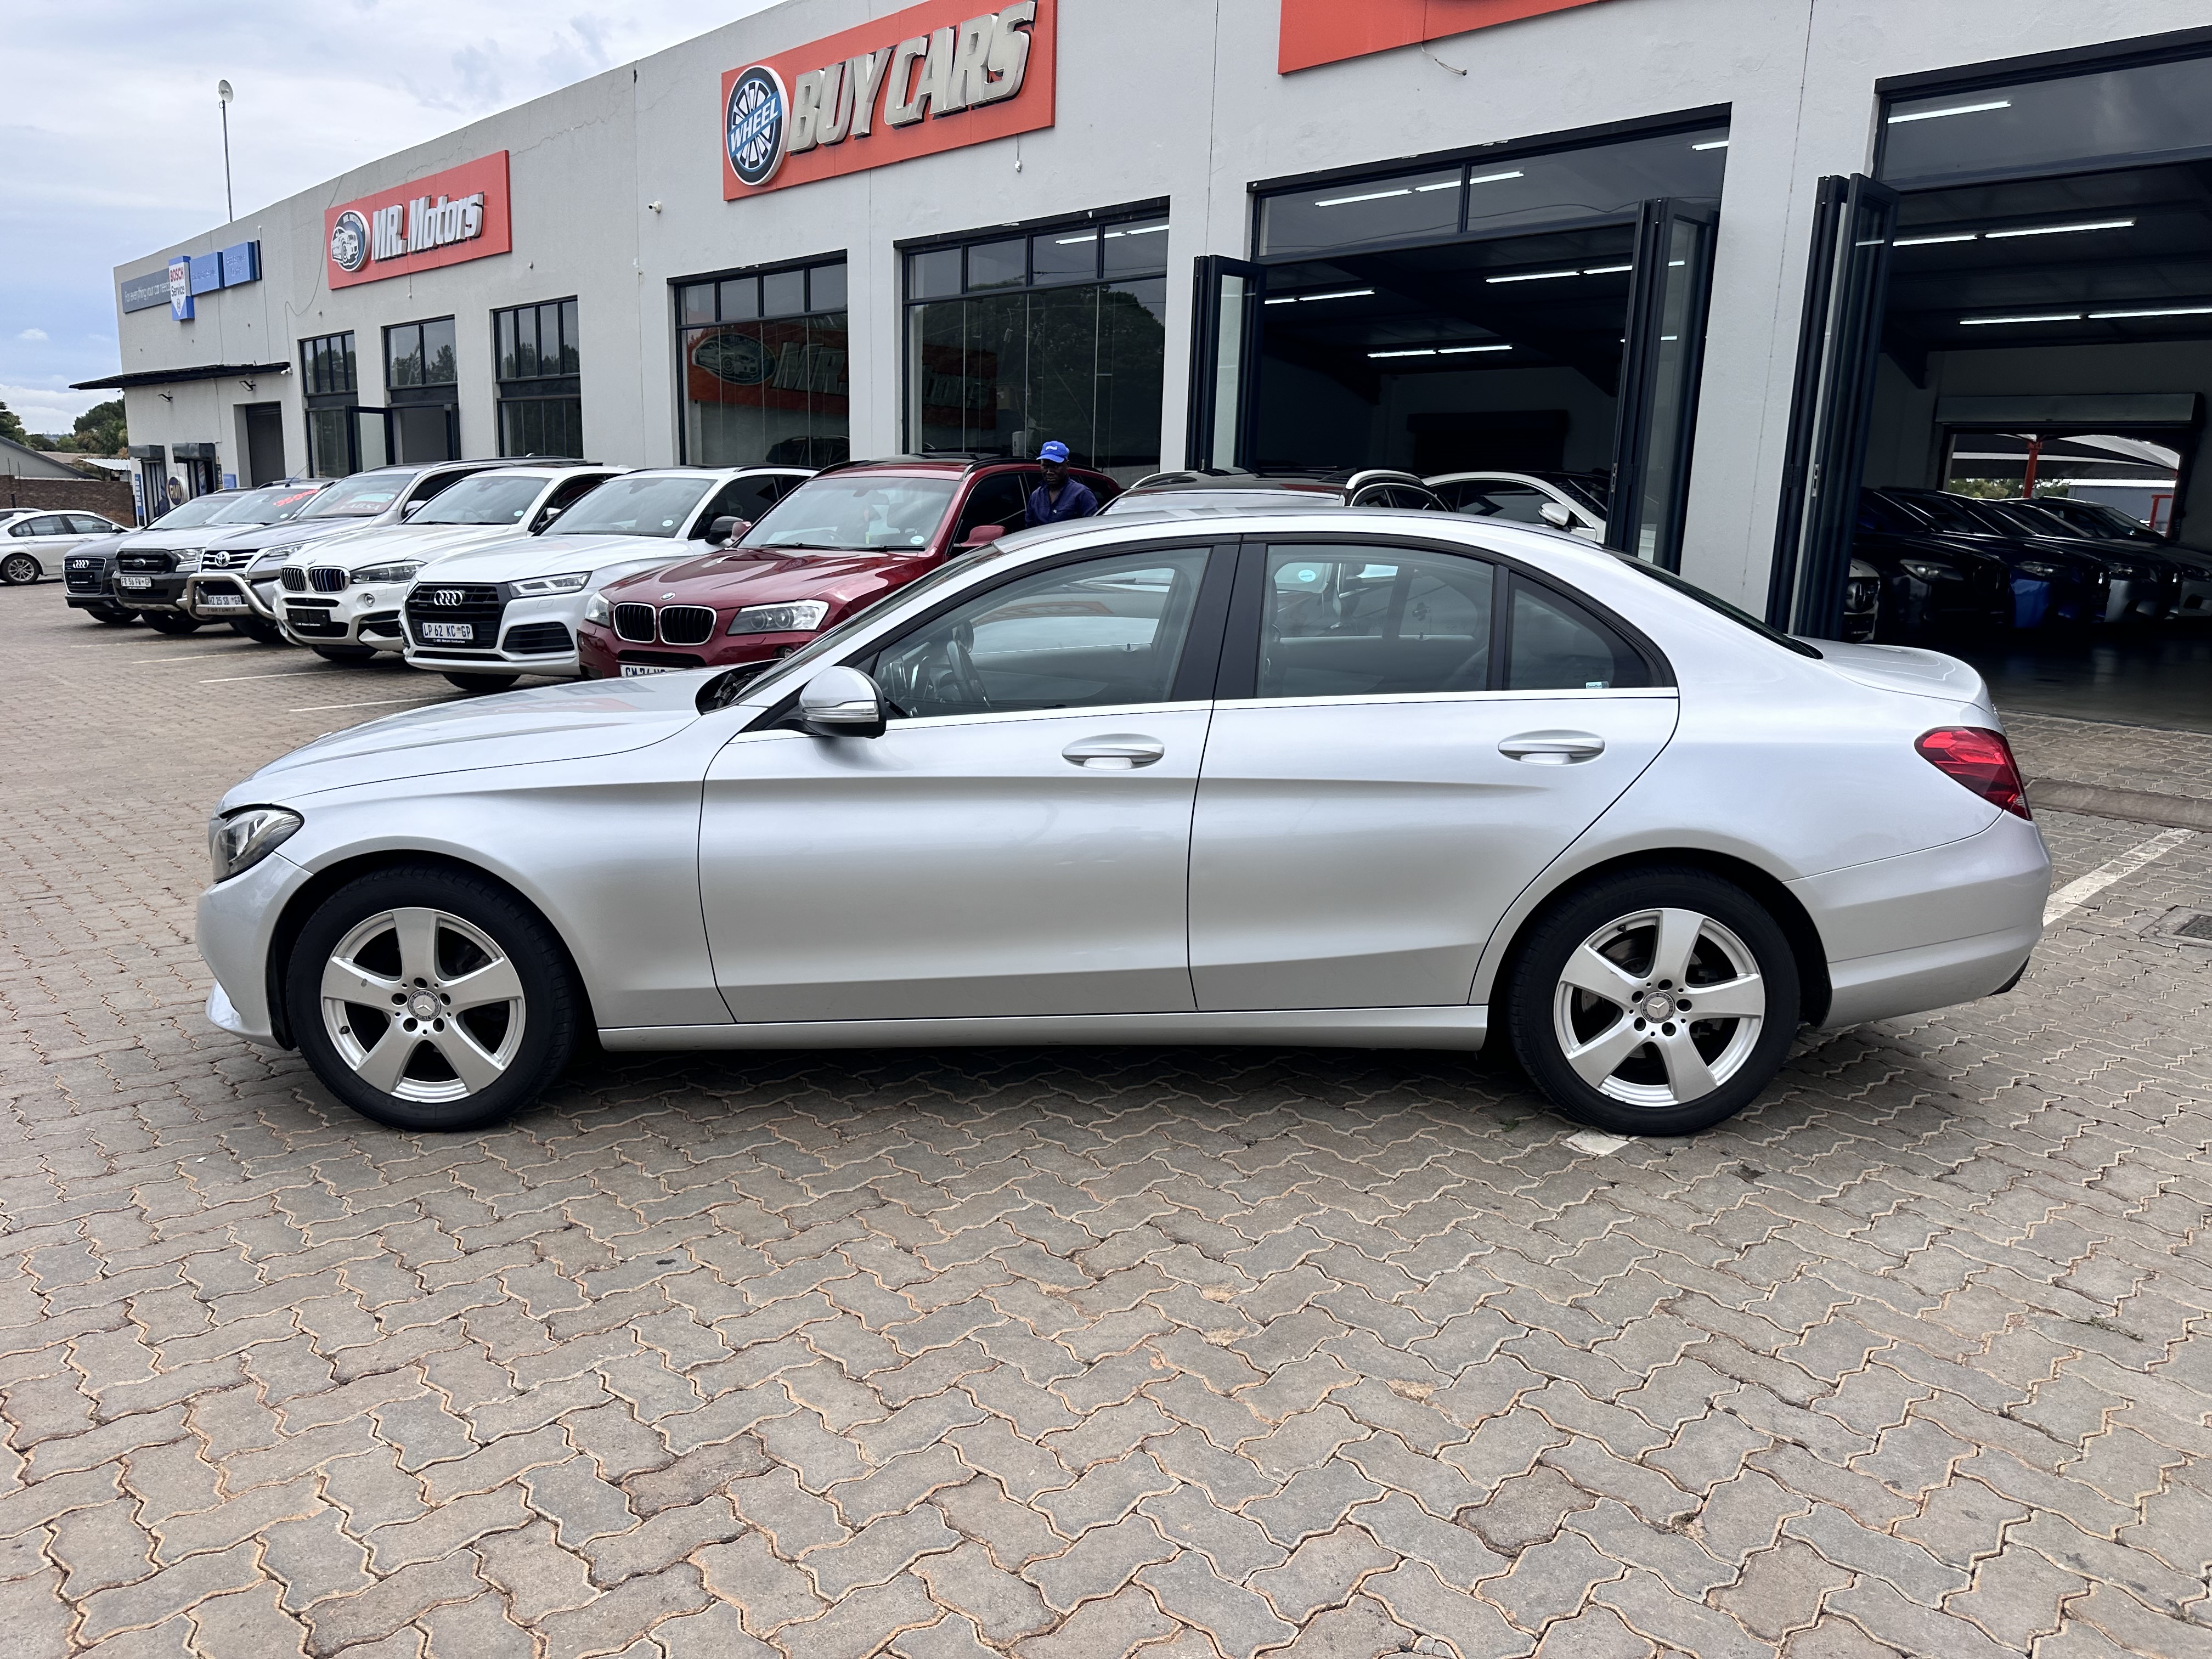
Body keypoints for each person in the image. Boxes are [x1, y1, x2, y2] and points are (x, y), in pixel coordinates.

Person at [1026, 441, 1097, 526]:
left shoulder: (1082, 494)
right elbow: (1029, 528)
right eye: (1045, 466)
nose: (1049, 472)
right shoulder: (1036, 496)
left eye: (1055, 466)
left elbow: (1093, 529)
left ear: (1067, 465)